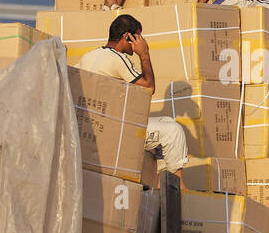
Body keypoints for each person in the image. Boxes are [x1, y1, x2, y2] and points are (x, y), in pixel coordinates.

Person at [77, 14, 189, 172]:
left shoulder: (89, 56)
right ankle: (178, 188)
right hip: (112, 130)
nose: (141, 41)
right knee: (173, 131)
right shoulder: (118, 58)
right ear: (127, 37)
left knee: (167, 121)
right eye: (138, 37)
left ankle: (157, 181)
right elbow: (148, 88)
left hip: (93, 125)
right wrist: (144, 54)